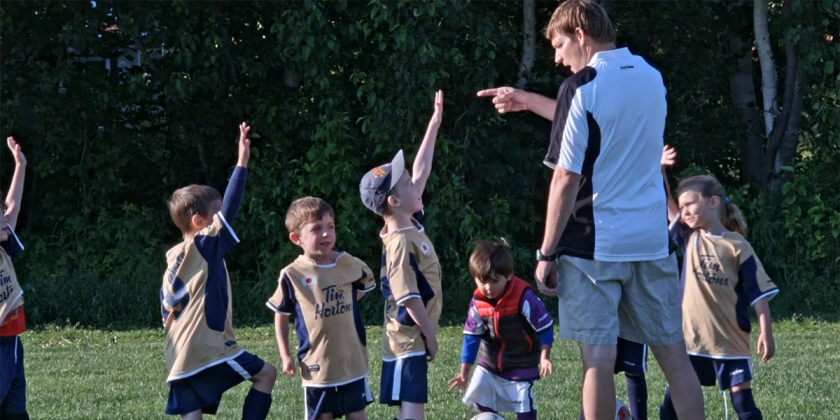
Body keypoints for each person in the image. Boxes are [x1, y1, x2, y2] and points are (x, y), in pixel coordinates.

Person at [476, 1, 705, 419]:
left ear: (580, 34)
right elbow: (599, 122)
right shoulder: (653, 79)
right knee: (674, 359)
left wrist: (546, 253)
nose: (558, 58)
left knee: (597, 362)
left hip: (593, 247)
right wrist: (526, 100)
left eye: (560, 45)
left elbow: (565, 178)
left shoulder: (582, 86)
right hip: (653, 242)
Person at [160, 123, 276, 420]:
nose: (221, 221)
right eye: (216, 214)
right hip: (208, 349)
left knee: (192, 413)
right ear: (199, 222)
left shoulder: (174, 259)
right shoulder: (202, 246)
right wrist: (241, 164)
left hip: (178, 356)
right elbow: (232, 209)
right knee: (266, 375)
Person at [660, 171, 778, 420]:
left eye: (690, 204)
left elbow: (758, 294)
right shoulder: (688, 238)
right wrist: (660, 170)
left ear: (713, 202)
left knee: (743, 403)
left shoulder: (738, 245)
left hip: (730, 341)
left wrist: (766, 332)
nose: (684, 211)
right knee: (674, 400)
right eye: (681, 207)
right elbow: (665, 199)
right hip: (692, 339)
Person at [358, 91, 443, 420]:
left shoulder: (409, 223)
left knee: (412, 412)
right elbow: (408, 297)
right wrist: (431, 336)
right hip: (407, 338)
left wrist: (433, 125)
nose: (415, 185)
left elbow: (421, 171)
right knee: (413, 413)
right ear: (393, 201)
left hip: (409, 339)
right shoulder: (398, 243)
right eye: (407, 184)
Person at [268, 196, 376, 420]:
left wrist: (345, 300)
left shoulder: (348, 263)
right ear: (297, 238)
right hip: (317, 368)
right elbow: (281, 313)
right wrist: (285, 354)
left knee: (358, 414)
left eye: (330, 226)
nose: (326, 233)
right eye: (317, 228)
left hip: (351, 362)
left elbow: (366, 283)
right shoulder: (293, 274)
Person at [448, 241, 554, 420]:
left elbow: (545, 327)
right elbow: (471, 339)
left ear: (509, 275)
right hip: (489, 363)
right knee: (480, 396)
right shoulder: (477, 303)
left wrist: (544, 357)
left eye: (495, 281)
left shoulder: (523, 297)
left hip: (521, 362)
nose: (488, 287)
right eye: (483, 282)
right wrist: (463, 372)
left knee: (522, 403)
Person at [0, 137, 29, 420]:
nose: (5, 218)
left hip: (12, 344)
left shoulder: (3, 246)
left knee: (15, 412)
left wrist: (19, 166)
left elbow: (14, 207)